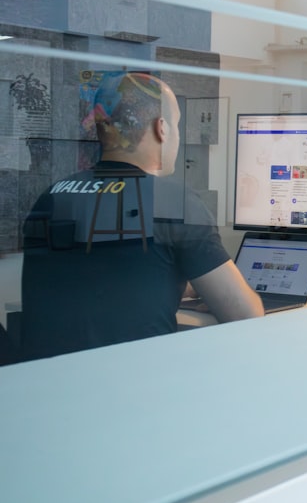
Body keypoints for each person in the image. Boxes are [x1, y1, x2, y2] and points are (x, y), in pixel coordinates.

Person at [19, 72, 263, 360]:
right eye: (177, 124)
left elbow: (97, 279)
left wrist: (172, 284)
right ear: (162, 128)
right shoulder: (173, 204)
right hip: (132, 388)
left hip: (46, 387)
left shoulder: (53, 196)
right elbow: (246, 316)